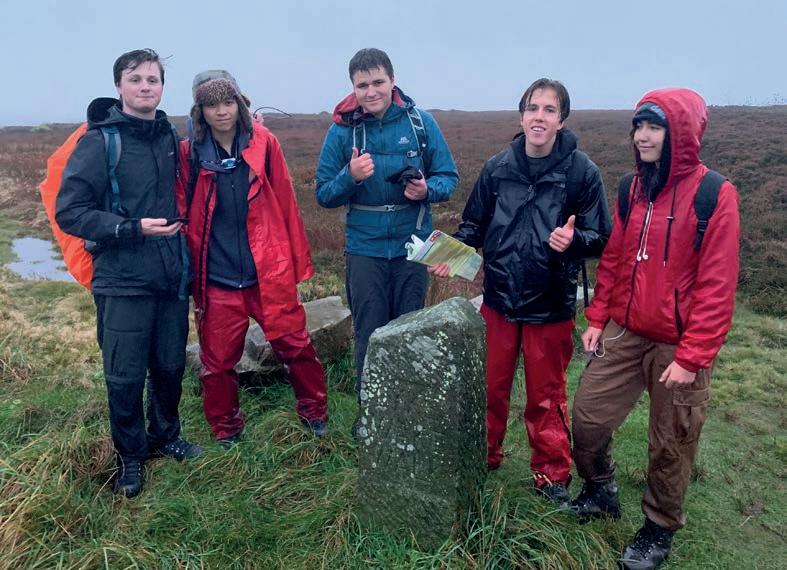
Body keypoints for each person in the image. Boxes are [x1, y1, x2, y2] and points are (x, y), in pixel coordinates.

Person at [570, 88, 740, 569]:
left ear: (680, 134)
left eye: (654, 127)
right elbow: (615, 259)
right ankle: (601, 490)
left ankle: (658, 528)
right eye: (638, 127)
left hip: (679, 344)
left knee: (671, 441)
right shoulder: (632, 188)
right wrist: (598, 317)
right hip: (625, 331)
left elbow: (717, 283)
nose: (642, 136)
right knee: (587, 418)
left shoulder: (715, 194)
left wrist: (693, 357)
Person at [430, 78, 611, 504]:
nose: (539, 117)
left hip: (550, 304)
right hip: (498, 300)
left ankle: (551, 476)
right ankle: (483, 455)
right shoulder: (498, 168)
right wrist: (450, 252)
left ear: (562, 120)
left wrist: (575, 240)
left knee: (546, 397)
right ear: (521, 116)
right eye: (533, 108)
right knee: (490, 388)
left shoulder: (582, 172)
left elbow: (601, 236)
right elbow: (474, 225)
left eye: (549, 110)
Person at [56, 49, 203, 498]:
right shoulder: (99, 141)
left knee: (170, 365)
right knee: (124, 374)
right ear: (119, 86)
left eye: (152, 79)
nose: (145, 86)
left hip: (170, 274)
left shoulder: (168, 135)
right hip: (121, 279)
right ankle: (131, 456)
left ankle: (166, 436)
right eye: (135, 79)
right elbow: (70, 211)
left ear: (162, 87)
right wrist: (129, 228)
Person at [181, 70, 329, 446]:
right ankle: (226, 428)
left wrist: (296, 262)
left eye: (227, 102)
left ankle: (314, 411)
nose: (221, 111)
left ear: (240, 104)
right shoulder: (189, 153)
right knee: (217, 362)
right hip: (217, 277)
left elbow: (286, 202)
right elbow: (182, 211)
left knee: (296, 345)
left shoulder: (265, 143)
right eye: (211, 105)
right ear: (200, 111)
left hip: (268, 271)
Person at [315, 48, 459, 418]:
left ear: (393, 81)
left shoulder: (421, 124)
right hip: (365, 250)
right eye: (362, 85)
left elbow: (449, 177)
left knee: (409, 333)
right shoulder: (341, 131)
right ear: (353, 87)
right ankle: (372, 417)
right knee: (370, 334)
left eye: (378, 82)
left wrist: (426, 190)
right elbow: (324, 194)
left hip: (414, 247)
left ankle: (406, 416)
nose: (371, 91)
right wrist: (350, 177)